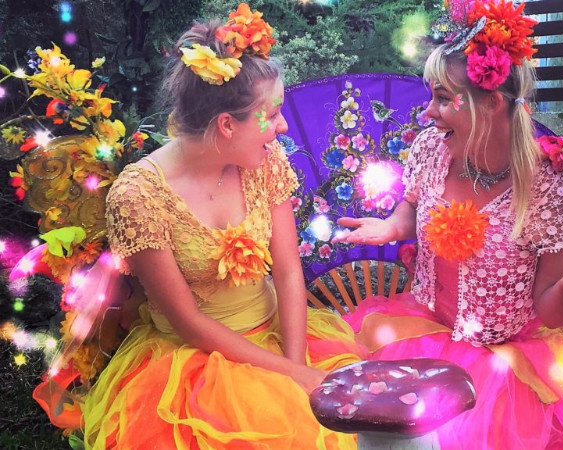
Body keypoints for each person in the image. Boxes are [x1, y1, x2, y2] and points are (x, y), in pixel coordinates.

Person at [34, 5, 361, 449]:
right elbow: (187, 320)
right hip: (197, 359)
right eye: (272, 114)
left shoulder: (265, 164)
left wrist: (296, 364)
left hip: (281, 335)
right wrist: (291, 376)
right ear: (226, 124)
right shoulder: (140, 195)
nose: (283, 128)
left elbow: (286, 271)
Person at [333, 2, 563, 448]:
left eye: (443, 99)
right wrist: (392, 227)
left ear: (492, 103)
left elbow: (551, 312)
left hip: (510, 366)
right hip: (420, 334)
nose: (428, 112)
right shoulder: (431, 149)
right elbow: (412, 206)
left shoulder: (551, 190)